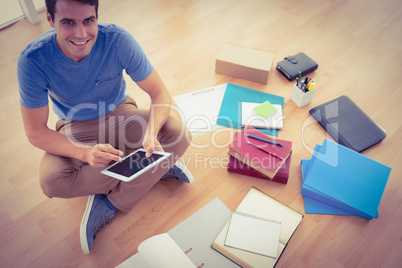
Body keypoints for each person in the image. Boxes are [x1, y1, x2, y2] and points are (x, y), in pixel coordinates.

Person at [17, 0, 193, 254]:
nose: (81, 34)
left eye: (88, 21)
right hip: (75, 125)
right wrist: (85, 154)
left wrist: (152, 132)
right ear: (50, 19)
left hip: (121, 113)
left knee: (179, 132)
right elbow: (35, 132)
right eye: (68, 22)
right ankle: (156, 167)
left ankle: (111, 202)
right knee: (51, 181)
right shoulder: (33, 60)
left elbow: (160, 92)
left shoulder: (118, 40)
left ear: (97, 16)